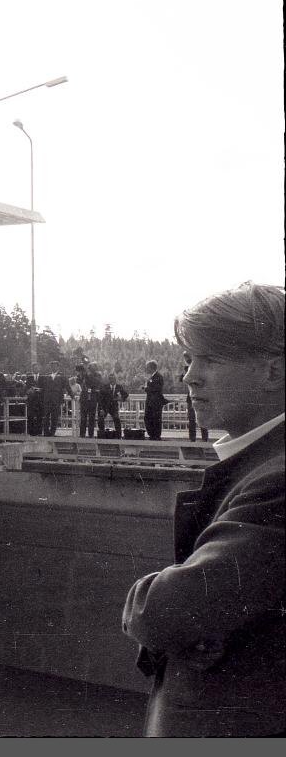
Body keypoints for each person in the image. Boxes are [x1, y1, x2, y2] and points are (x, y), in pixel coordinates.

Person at [122, 282, 285, 736]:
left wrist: (156, 606)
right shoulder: (262, 465)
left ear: (273, 372)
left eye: (210, 359)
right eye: (189, 359)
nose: (190, 376)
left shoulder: (276, 480)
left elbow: (164, 610)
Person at [180, 352, 209, 442]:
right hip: (191, 398)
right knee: (192, 420)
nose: (187, 360)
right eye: (186, 359)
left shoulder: (197, 368)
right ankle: (193, 439)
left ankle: (204, 439)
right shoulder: (186, 369)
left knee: (201, 419)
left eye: (188, 359)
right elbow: (181, 379)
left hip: (198, 397)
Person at [142, 360, 168, 440]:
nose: (146, 369)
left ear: (151, 368)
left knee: (156, 419)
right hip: (151, 402)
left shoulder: (158, 376)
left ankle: (155, 436)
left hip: (155, 402)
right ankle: (153, 435)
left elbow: (157, 389)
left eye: (148, 367)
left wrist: (146, 388)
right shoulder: (153, 376)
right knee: (149, 418)